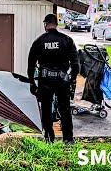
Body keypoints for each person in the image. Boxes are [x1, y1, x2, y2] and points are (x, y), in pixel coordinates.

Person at [27, 14, 79, 144]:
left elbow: (31, 65)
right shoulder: (67, 40)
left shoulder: (39, 41)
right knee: (65, 109)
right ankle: (68, 139)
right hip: (62, 81)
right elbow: (75, 64)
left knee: (46, 110)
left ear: (45, 24)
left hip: (45, 82)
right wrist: (72, 79)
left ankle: (49, 138)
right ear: (56, 24)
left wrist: (32, 83)